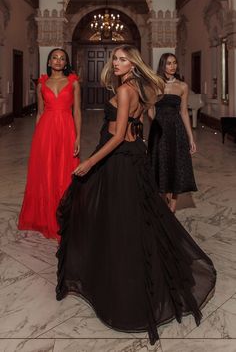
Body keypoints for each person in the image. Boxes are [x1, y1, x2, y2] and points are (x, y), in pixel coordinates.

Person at [55, 45, 216, 345]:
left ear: (133, 64)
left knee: (120, 218)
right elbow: (135, 129)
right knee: (133, 219)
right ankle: (126, 277)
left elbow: (117, 137)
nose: (116, 63)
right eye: (114, 58)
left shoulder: (128, 91)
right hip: (132, 157)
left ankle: (128, 285)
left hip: (120, 161)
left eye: (122, 59)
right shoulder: (137, 88)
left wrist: (89, 162)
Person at [18, 48, 81, 241]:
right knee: (45, 173)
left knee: (65, 171)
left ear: (66, 62)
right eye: (55, 58)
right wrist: (37, 137)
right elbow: (39, 112)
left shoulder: (73, 82)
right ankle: (44, 218)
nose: (58, 61)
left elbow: (77, 111)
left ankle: (65, 218)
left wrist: (78, 137)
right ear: (49, 61)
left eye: (62, 58)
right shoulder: (42, 83)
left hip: (66, 128)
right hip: (45, 131)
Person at [148, 53, 197, 213]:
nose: (172, 66)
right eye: (169, 63)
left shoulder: (182, 86)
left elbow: (183, 112)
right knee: (160, 163)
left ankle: (172, 207)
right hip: (159, 130)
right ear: (163, 65)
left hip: (177, 130)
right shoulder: (155, 84)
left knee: (177, 163)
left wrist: (191, 138)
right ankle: (162, 200)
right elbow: (150, 110)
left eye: (174, 63)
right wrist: (156, 124)